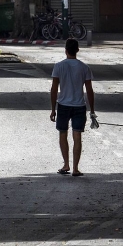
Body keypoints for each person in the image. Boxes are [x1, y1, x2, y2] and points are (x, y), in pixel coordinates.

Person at [50, 38, 95, 177]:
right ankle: (75, 168)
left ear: (65, 50)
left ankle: (66, 164)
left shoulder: (58, 66)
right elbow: (89, 90)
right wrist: (92, 110)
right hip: (79, 106)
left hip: (63, 105)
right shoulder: (84, 67)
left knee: (63, 134)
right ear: (77, 50)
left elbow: (53, 89)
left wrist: (53, 109)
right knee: (77, 136)